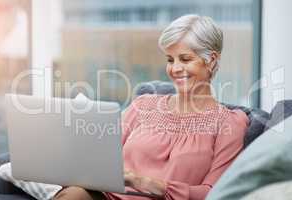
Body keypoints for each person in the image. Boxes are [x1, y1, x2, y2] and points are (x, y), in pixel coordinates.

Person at [54, 14, 249, 200]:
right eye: (170, 60)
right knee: (75, 195)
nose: (175, 68)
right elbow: (100, 156)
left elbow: (215, 193)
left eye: (185, 59)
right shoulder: (144, 105)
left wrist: (143, 182)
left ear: (211, 60)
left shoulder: (230, 123)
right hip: (110, 197)